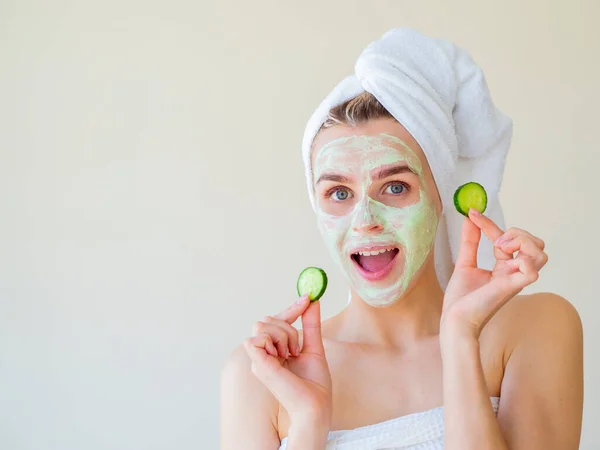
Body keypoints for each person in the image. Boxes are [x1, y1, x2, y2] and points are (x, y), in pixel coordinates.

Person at [220, 28, 583, 450]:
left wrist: (460, 337)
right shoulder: (264, 375)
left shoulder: (534, 328)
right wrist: (308, 424)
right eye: (339, 193)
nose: (364, 221)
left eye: (395, 187)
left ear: (440, 196)